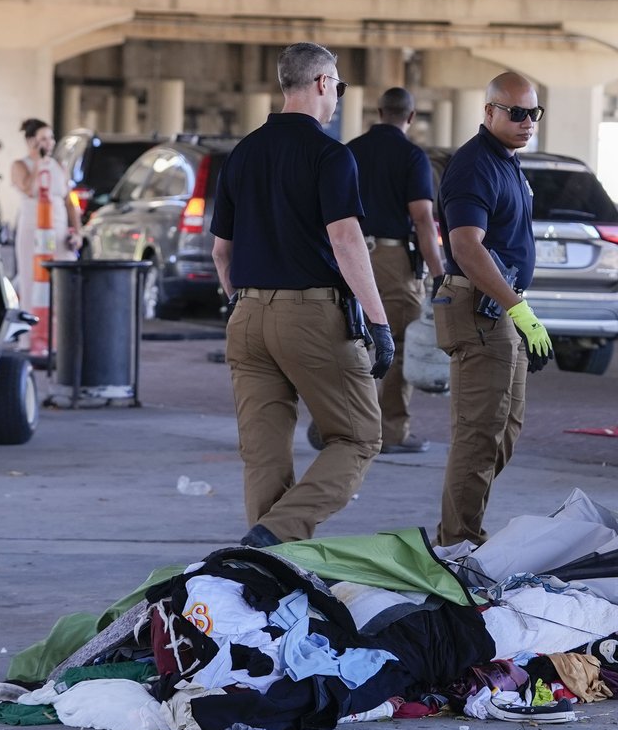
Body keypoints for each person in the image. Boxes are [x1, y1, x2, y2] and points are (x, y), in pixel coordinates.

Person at [210, 41, 395, 548]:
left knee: (264, 454)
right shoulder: (331, 155)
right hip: (310, 316)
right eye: (338, 85)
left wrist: (243, 304)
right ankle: (273, 536)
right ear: (321, 83)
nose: (337, 94)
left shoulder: (242, 153)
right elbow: (345, 240)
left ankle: (265, 570)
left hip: (245, 315)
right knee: (358, 437)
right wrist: (379, 323)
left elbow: (220, 253)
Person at [434, 71, 552, 547]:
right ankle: (457, 542)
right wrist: (516, 307)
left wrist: (518, 308)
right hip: (482, 309)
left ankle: (462, 529)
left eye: (533, 114)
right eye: (516, 112)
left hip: (502, 308)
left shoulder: (507, 162)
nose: (527, 122)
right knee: (479, 432)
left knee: (505, 428)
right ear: (489, 112)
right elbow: (466, 245)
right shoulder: (475, 164)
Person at [345, 86, 444, 454]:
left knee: (352, 341)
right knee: (398, 343)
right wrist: (438, 273)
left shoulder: (350, 151)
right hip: (391, 261)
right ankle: (390, 432)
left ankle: (345, 426)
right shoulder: (412, 156)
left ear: (378, 111)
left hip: (348, 255)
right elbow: (421, 217)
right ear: (411, 117)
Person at [9, 120, 81, 290]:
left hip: (58, 228)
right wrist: (38, 163)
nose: (49, 143)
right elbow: (28, 188)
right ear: (31, 141)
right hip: (32, 228)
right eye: (44, 139)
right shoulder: (20, 165)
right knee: (32, 279)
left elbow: (69, 202)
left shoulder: (60, 167)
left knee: (64, 278)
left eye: (51, 138)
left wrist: (78, 231)